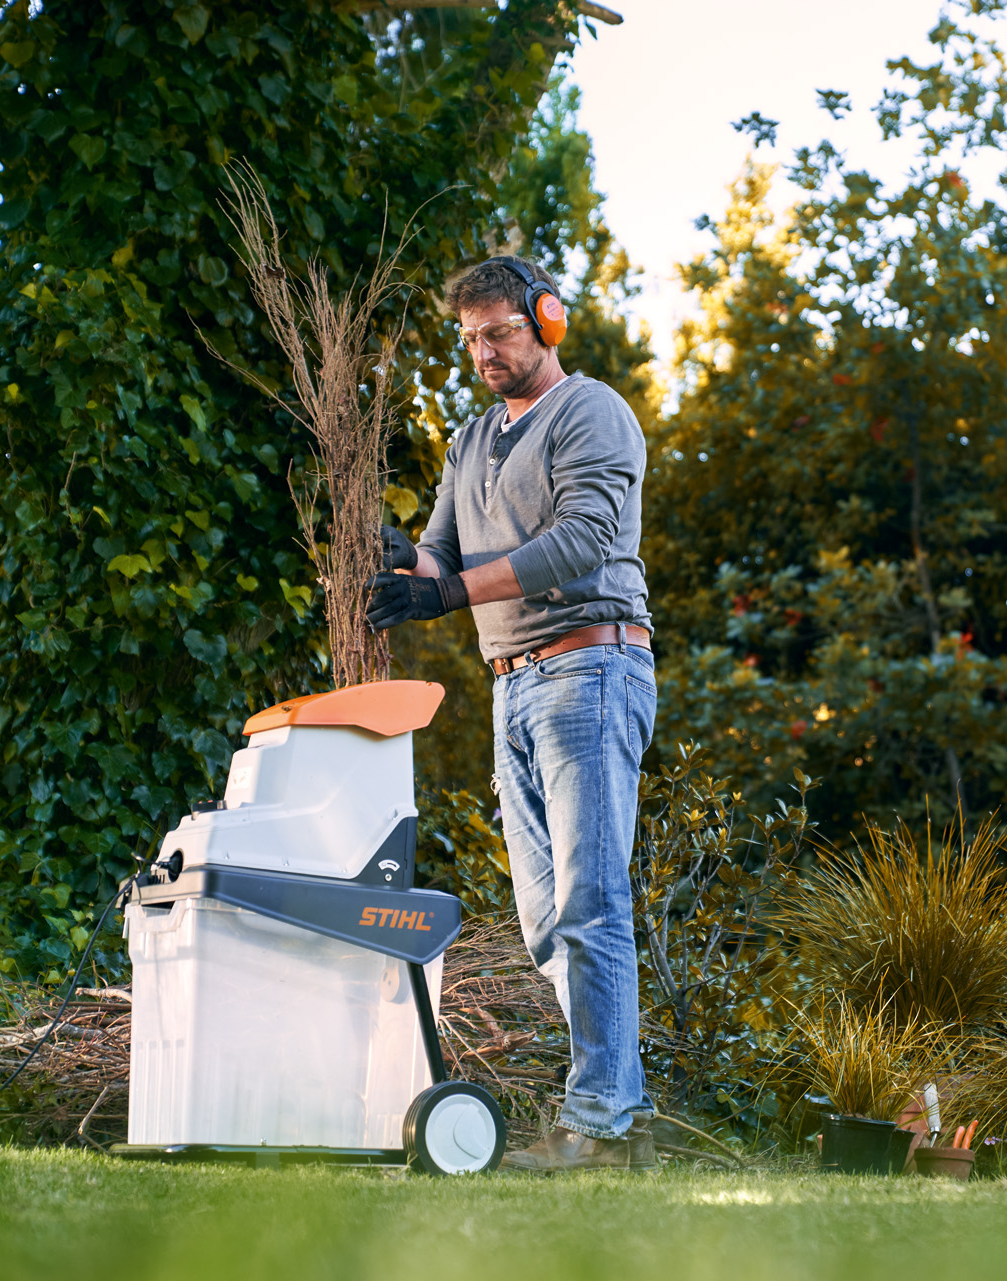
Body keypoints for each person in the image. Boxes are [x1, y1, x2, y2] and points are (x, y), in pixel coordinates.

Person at [365, 255, 658, 1172]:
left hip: (591, 665)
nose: (483, 351)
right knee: (545, 914)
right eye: (469, 338)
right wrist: (394, 556)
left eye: (499, 331)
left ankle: (602, 1117)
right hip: (514, 681)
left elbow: (582, 541)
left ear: (546, 320)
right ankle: (622, 1108)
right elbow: (439, 556)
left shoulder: (591, 412)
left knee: (590, 899)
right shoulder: (472, 439)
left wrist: (446, 593)